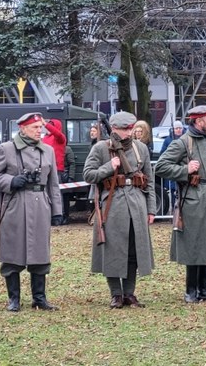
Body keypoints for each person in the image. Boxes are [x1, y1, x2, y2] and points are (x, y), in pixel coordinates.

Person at [155, 105, 206, 303]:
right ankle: (191, 290)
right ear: (199, 122)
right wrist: (185, 170)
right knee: (194, 244)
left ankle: (204, 290)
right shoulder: (183, 143)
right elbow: (162, 166)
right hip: (194, 200)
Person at [0, 112, 62, 312]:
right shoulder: (6, 149)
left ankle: (40, 298)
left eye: (40, 127)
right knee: (12, 251)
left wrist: (57, 210)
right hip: (15, 204)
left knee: (40, 252)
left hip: (40, 206)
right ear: (23, 128)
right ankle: (14, 299)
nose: (40, 131)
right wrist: (11, 181)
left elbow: (53, 183)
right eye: (35, 127)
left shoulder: (48, 151)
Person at [83, 112, 156, 309]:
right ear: (114, 129)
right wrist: (109, 166)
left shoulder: (140, 148)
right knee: (113, 250)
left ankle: (129, 293)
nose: (129, 132)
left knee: (134, 249)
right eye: (125, 129)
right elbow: (88, 175)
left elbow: (149, 179)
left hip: (137, 202)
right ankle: (116, 293)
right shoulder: (101, 148)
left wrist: (151, 209)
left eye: (131, 128)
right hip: (112, 204)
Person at [43, 118, 67, 226]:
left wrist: (45, 124)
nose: (47, 127)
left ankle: (58, 215)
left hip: (56, 168)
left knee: (56, 193)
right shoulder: (44, 138)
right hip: (45, 168)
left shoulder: (60, 138)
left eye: (50, 125)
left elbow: (56, 133)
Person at [160, 120, 185, 210]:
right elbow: (162, 153)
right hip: (172, 169)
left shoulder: (186, 138)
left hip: (183, 168)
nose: (178, 130)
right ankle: (174, 211)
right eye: (176, 128)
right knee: (173, 191)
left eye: (180, 128)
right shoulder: (168, 140)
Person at [60, 145, 75, 225]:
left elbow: (72, 163)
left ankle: (65, 216)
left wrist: (70, 177)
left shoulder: (67, 149)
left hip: (64, 176)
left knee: (65, 197)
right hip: (56, 174)